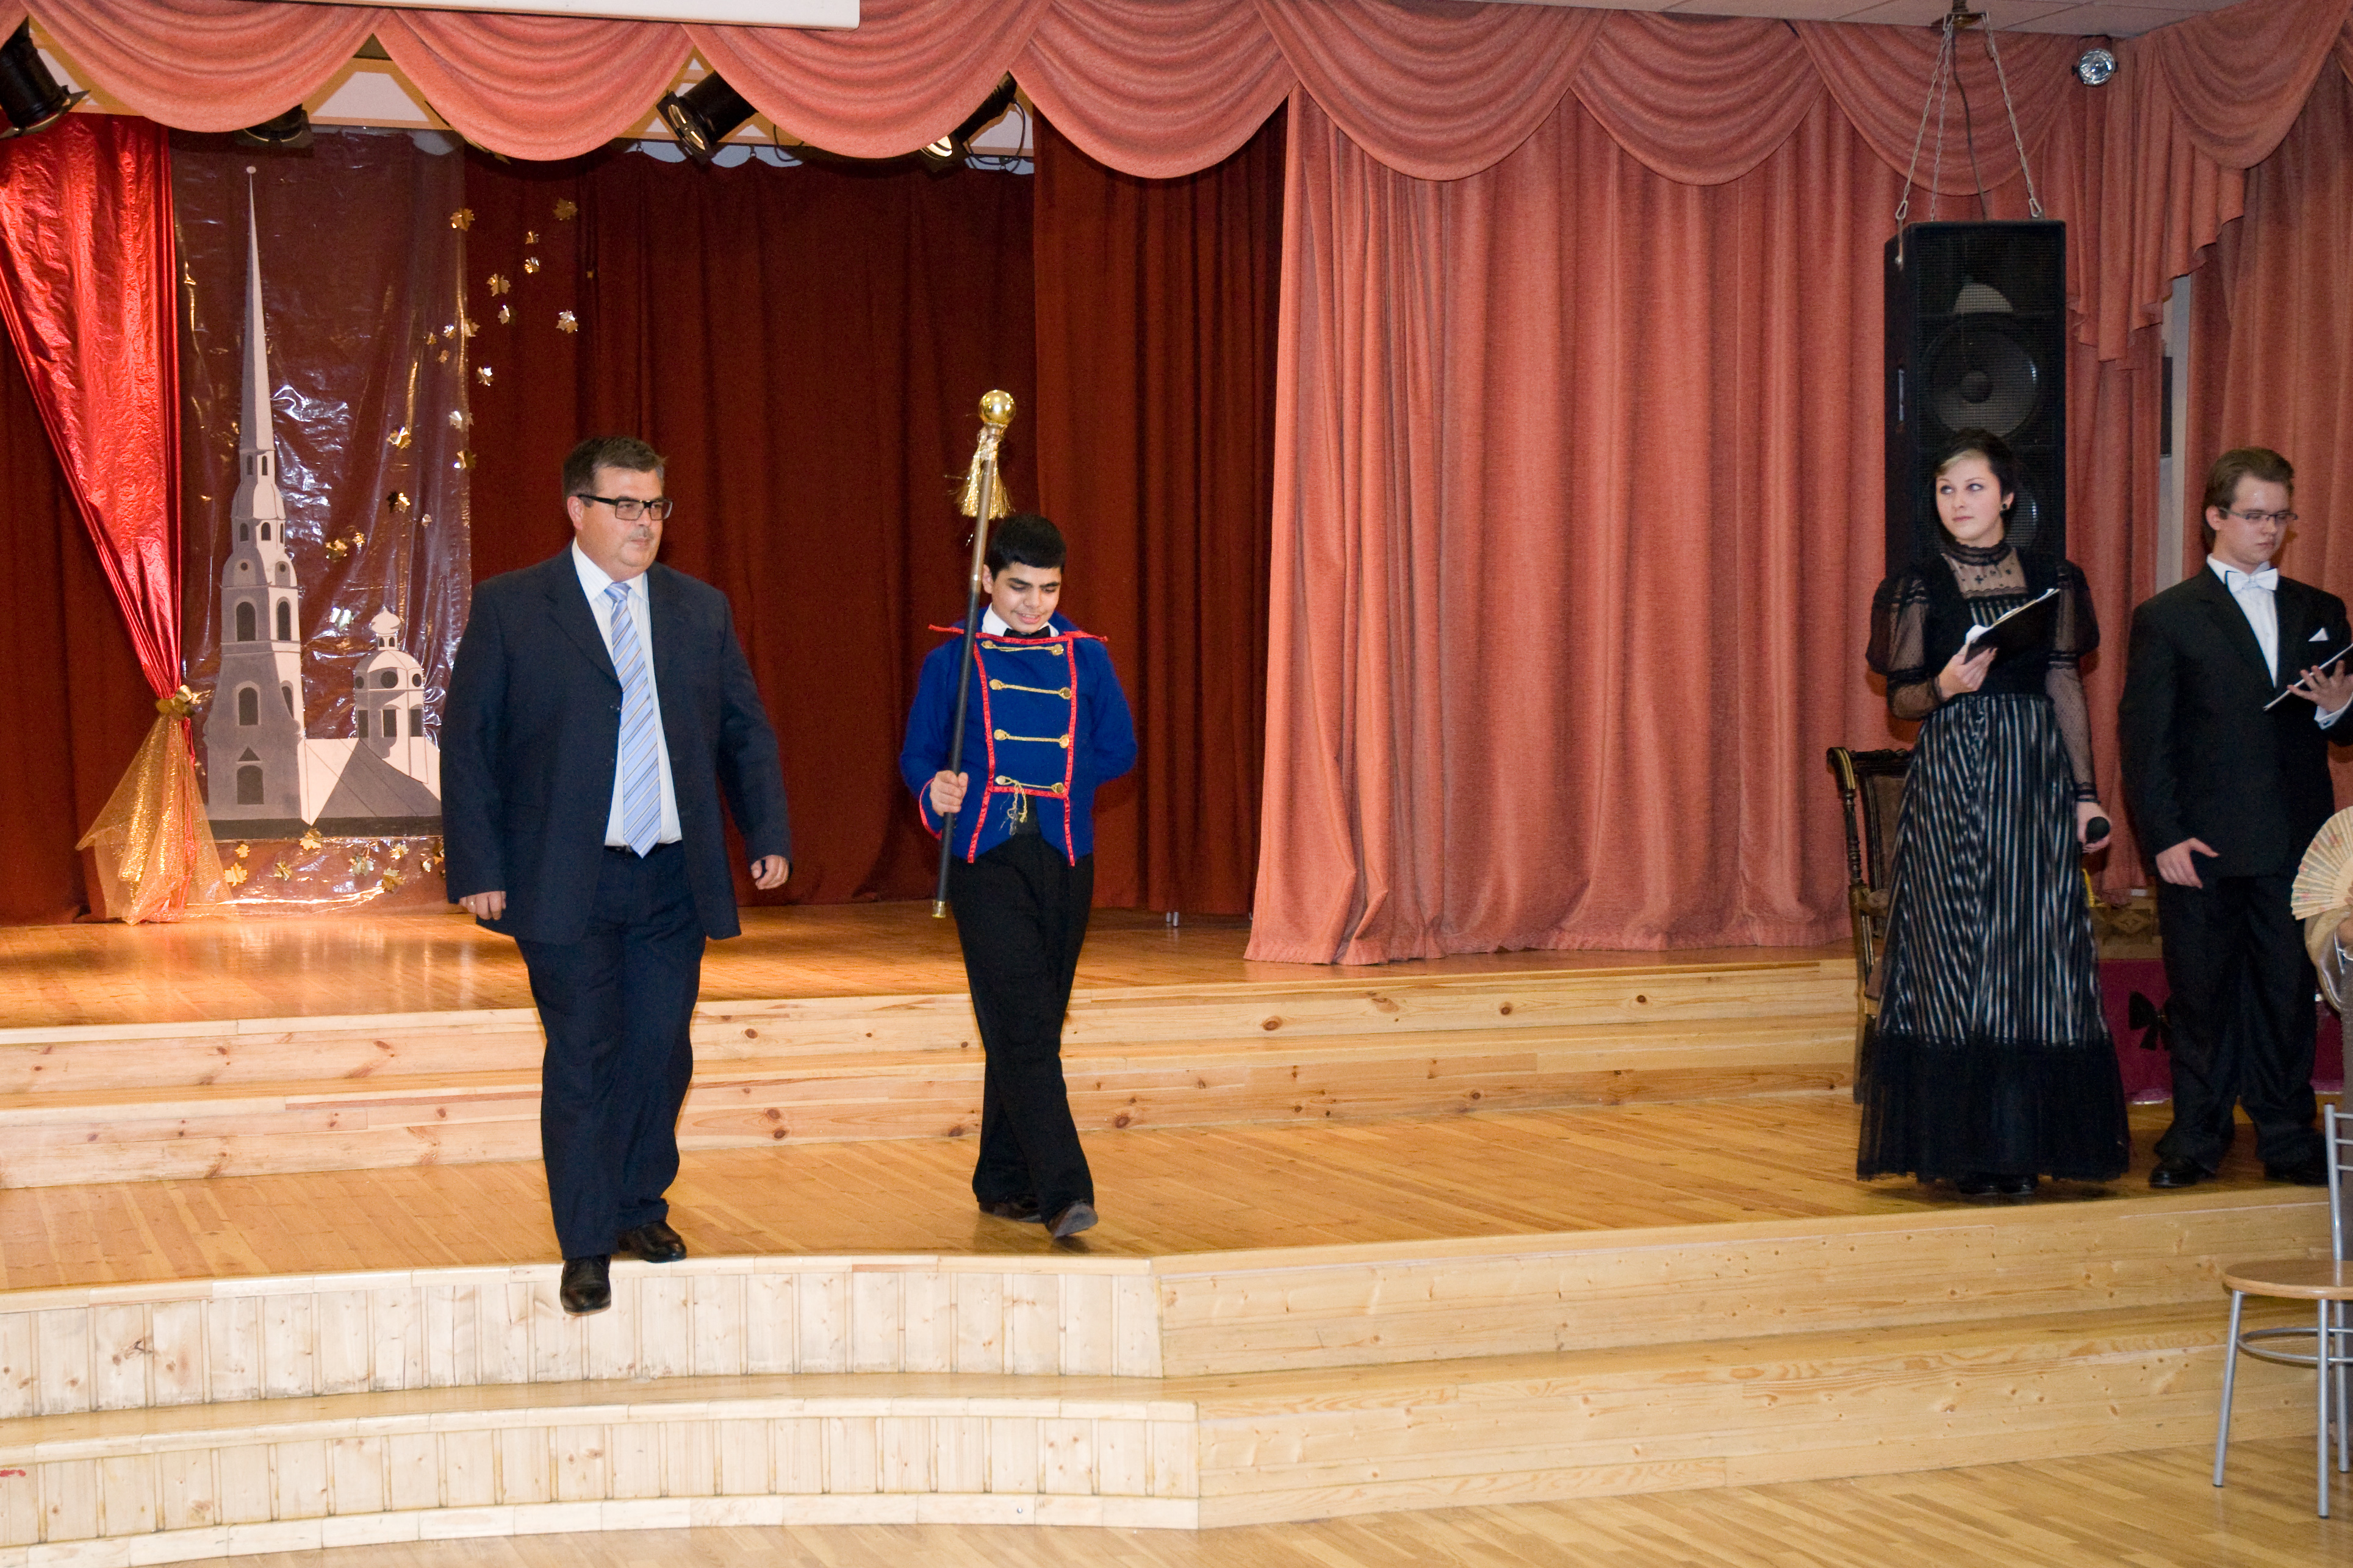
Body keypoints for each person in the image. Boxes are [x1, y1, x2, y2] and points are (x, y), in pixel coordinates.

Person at [444, 436, 790, 1312]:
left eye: (655, 506)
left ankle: (639, 1204)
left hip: (672, 876)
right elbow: (469, 744)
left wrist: (767, 830)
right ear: (578, 509)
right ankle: (586, 1240)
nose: (645, 523)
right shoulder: (514, 607)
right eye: (626, 505)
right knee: (585, 1053)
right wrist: (479, 865)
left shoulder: (698, 610)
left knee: (659, 1049)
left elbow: (743, 730)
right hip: (565, 878)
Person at [1859, 428, 2130, 1196]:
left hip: (2031, 777)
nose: (1957, 502)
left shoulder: (2053, 578)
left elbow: (2063, 683)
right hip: (1951, 775)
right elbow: (1902, 700)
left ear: (2007, 497)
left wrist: (2084, 795)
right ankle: (1960, 1150)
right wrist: (1944, 685)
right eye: (1945, 490)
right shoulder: (1914, 587)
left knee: (2030, 952)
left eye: (1973, 488)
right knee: (1951, 953)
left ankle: (2021, 1145)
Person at [900, 514, 1136, 1240]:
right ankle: (1064, 1192)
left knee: (1027, 1023)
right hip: (986, 855)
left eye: (1048, 588)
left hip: (1063, 853)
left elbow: (1119, 749)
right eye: (1018, 587)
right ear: (986, 580)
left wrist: (1058, 778)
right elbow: (918, 756)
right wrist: (936, 790)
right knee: (1025, 1024)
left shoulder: (1085, 657)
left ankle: (1002, 1180)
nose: (1034, 603)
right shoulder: (952, 659)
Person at [2119, 447, 2351, 1189]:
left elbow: (2344, 726)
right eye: (2254, 515)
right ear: (2214, 516)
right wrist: (2162, 837)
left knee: (2285, 993)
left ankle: (2285, 1135)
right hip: (2201, 842)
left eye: (2280, 516)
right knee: (2201, 995)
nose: (2269, 530)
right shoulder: (2165, 617)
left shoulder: (2319, 609)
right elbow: (2144, 740)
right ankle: (2195, 1135)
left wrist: (2337, 707)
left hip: (2292, 841)